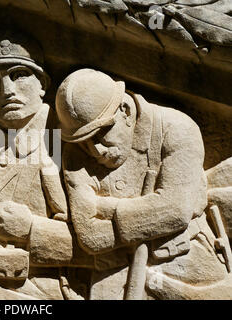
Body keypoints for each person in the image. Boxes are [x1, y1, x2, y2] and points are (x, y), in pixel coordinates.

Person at [56, 68, 231, 299]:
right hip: (111, 277)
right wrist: (151, 212)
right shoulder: (75, 153)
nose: (95, 149)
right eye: (84, 141)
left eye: (100, 134)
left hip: (186, 260)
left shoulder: (176, 128)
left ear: (125, 111)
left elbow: (176, 210)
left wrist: (107, 208)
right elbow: (91, 237)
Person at [0, 32, 91, 299]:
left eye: (19, 75)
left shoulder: (68, 142)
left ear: (43, 84)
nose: (6, 91)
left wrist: (31, 230)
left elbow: (103, 245)